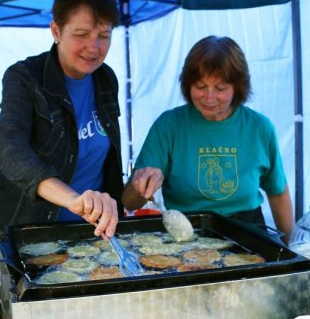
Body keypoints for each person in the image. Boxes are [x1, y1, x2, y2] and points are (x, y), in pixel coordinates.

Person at [0, 0, 124, 244]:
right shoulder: (24, 77)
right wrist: (73, 199)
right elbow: (11, 150)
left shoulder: (106, 79)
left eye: (104, 35)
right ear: (56, 31)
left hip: (86, 233)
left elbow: (109, 164)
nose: (94, 47)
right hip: (25, 230)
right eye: (81, 35)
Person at [122, 35, 294, 239]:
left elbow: (277, 191)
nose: (209, 98)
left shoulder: (259, 128)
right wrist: (141, 183)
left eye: (220, 88)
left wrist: (291, 246)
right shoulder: (169, 126)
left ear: (238, 87)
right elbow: (129, 203)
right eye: (201, 87)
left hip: (249, 231)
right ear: (187, 85)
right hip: (185, 231)